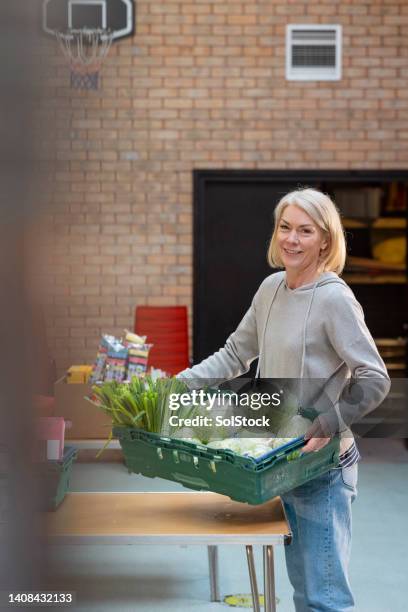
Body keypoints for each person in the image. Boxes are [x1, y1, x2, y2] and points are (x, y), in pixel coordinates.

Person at [178, 188, 390, 612]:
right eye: (285, 227)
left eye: (305, 231)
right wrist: (176, 387)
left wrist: (330, 421)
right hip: (280, 456)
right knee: (304, 589)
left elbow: (374, 378)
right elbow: (236, 354)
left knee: (323, 597)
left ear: (325, 241)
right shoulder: (271, 288)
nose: (292, 239)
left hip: (322, 463)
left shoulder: (334, 298)